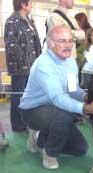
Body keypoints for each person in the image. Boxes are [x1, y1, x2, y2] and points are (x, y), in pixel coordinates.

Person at [19, 26, 93, 170]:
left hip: (55, 110)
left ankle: (37, 138)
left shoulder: (70, 62)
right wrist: (87, 108)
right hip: (33, 110)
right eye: (62, 41)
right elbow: (58, 98)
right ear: (50, 43)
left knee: (80, 149)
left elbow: (73, 90)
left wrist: (88, 98)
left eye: (70, 41)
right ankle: (50, 154)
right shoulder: (43, 64)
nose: (68, 45)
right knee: (64, 114)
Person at [4, 0, 42, 132]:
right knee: (18, 96)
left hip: (32, 66)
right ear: (23, 5)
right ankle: (18, 126)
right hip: (19, 68)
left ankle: (27, 122)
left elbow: (35, 43)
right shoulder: (12, 21)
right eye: (30, 3)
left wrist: (38, 61)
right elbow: (11, 46)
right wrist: (26, 63)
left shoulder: (29, 20)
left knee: (29, 96)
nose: (32, 6)